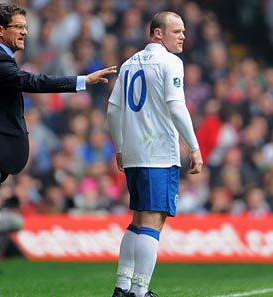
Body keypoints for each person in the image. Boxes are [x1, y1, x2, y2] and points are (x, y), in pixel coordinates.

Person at [0, 3, 116, 297]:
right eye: (19, 27)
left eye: (26, 27)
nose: (25, 32)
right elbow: (32, 81)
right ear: (0, 30)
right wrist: (81, 81)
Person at [106, 11, 204, 297]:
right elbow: (176, 107)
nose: (183, 36)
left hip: (135, 152)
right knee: (153, 220)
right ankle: (140, 291)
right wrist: (194, 147)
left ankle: (123, 287)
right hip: (158, 153)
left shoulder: (129, 63)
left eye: (184, 31)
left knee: (138, 220)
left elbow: (113, 110)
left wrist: (120, 146)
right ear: (157, 33)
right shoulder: (170, 62)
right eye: (176, 31)